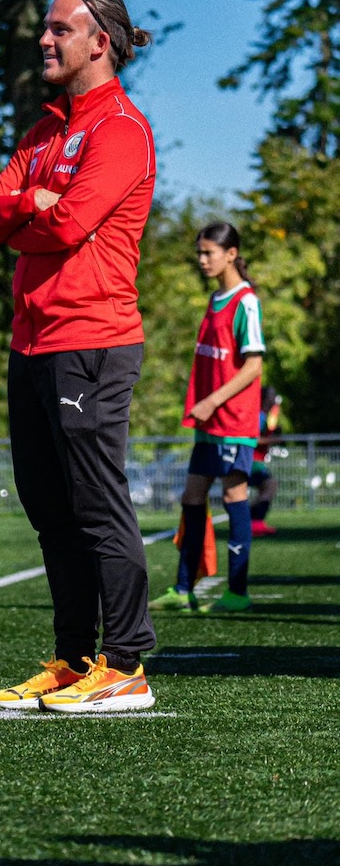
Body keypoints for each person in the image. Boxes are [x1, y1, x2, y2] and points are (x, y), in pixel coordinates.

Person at [0, 0, 157, 713]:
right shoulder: (43, 132)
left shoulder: (120, 130)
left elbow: (69, 225)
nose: (44, 40)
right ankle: (76, 657)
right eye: (45, 30)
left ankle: (127, 664)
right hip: (32, 343)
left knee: (94, 501)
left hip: (92, 342)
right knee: (49, 505)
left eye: (60, 30)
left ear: (98, 43)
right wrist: (26, 206)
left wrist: (32, 216)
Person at [149, 222, 265, 615]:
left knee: (234, 494)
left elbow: (253, 366)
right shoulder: (215, 298)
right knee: (192, 496)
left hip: (232, 419)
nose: (202, 260)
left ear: (231, 253)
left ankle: (237, 591)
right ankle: (184, 589)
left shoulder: (245, 301)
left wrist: (212, 400)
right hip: (209, 423)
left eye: (208, 253)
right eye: (199, 253)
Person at [249, 386, 282, 536]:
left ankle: (252, 521)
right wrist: (271, 439)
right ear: (264, 399)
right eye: (272, 396)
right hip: (251, 462)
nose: (274, 399)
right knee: (270, 485)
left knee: (266, 488)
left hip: (256, 461)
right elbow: (252, 439)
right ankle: (255, 523)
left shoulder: (265, 416)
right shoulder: (259, 416)